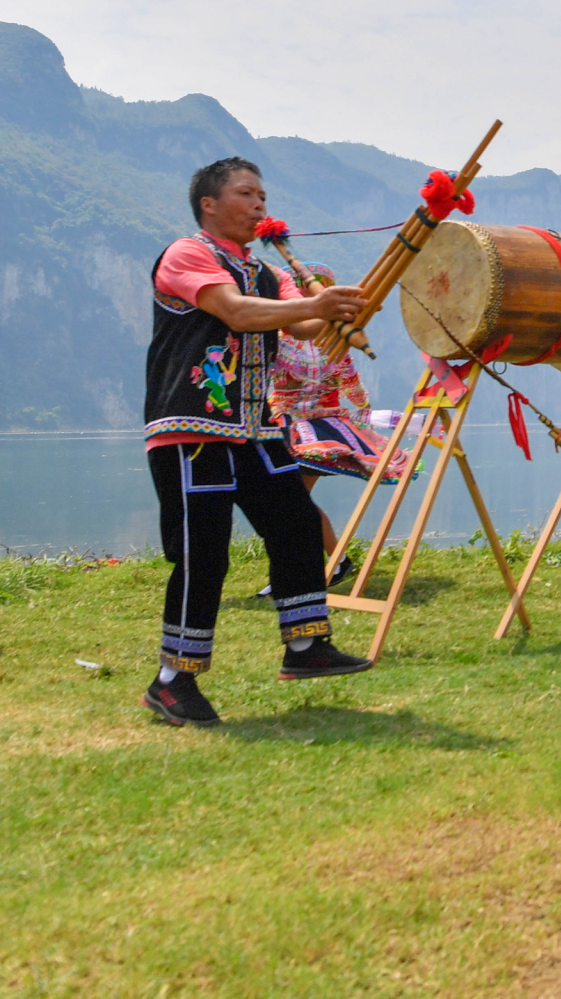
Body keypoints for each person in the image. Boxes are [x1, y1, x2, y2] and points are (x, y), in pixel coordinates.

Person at [142, 158, 375, 728]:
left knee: (295, 522)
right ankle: (173, 680)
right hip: (192, 429)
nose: (259, 204)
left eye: (263, 195)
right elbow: (236, 313)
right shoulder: (187, 255)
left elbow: (304, 325)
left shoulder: (269, 273)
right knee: (204, 554)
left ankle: (305, 646)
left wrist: (344, 306)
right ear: (209, 204)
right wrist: (316, 306)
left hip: (255, 430)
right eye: (246, 193)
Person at [254, 260, 412, 597]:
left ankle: (319, 565)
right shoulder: (329, 344)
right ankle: (326, 563)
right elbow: (355, 391)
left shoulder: (288, 339)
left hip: (303, 430)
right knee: (292, 502)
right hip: (307, 427)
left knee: (290, 501)